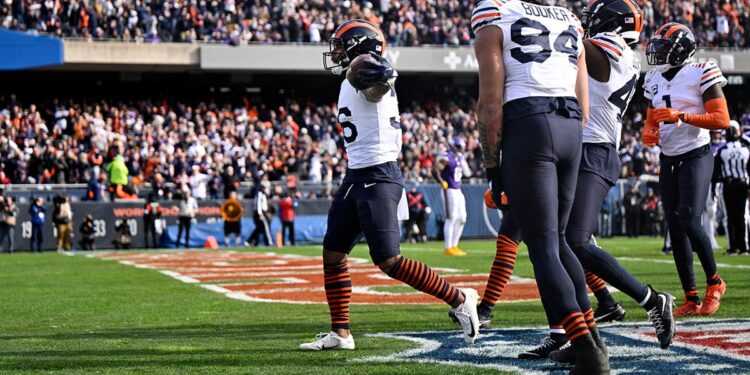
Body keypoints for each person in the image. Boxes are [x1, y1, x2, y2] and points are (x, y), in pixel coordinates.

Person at [301, 19, 479, 351]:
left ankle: (459, 299)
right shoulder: (351, 73)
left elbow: (378, 80)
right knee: (333, 253)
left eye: (341, 45)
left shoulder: (366, 66)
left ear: (358, 45)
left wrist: (382, 72)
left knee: (389, 260)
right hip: (356, 175)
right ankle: (341, 335)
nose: (336, 52)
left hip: (379, 175)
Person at [473, 0, 609, 372]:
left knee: (544, 247)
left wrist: (493, 166)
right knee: (561, 240)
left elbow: (489, 103)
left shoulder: (495, 10)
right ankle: (592, 340)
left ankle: (588, 351)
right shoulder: (568, 17)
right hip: (570, 126)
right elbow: (584, 105)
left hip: (529, 122)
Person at [642, 22, 730, 317]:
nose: (656, 53)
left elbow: (721, 119)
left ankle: (715, 283)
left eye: (663, 48)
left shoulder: (701, 70)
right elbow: (650, 122)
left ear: (681, 51)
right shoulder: (653, 77)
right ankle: (691, 297)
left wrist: (683, 116)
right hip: (669, 157)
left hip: (696, 153)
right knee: (675, 227)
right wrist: (649, 133)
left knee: (690, 219)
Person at [713, 121, 750, 255]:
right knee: (742, 216)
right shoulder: (745, 148)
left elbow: (716, 172)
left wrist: (712, 189)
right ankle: (744, 247)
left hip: (728, 186)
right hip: (743, 185)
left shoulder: (722, 151)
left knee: (730, 217)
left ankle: (733, 247)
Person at [433, 138, 468, 256]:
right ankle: (448, 247)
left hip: (458, 189)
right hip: (449, 190)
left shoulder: (459, 158)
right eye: (459, 146)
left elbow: (468, 173)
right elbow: (434, 170)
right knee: (451, 218)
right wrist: (440, 181)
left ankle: (454, 245)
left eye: (462, 146)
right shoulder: (447, 157)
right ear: (453, 146)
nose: (461, 149)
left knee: (462, 218)